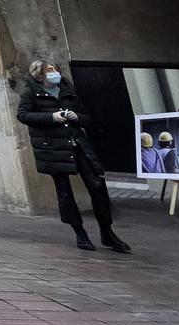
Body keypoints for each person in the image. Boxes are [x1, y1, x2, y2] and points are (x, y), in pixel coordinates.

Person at [17, 60, 130, 254]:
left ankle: (106, 230)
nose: (55, 73)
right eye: (49, 70)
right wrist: (52, 117)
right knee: (64, 191)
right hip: (52, 147)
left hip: (77, 144)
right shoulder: (30, 93)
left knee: (97, 185)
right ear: (40, 74)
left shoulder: (67, 90)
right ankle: (79, 231)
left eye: (56, 69)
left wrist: (77, 117)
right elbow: (23, 115)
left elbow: (87, 117)